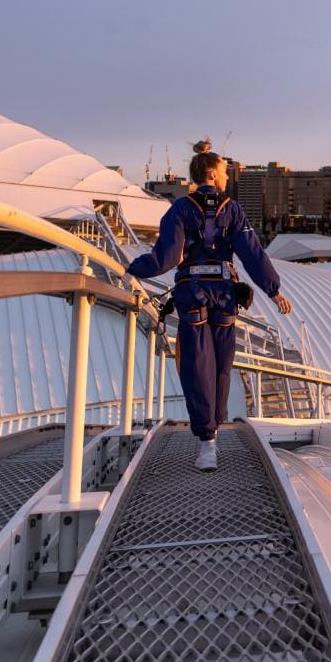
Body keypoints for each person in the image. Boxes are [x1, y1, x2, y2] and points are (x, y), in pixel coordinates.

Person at [127, 144, 291, 470]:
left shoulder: (179, 209)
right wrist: (273, 291)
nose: (228, 175)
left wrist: (132, 269)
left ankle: (207, 443)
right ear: (212, 173)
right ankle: (215, 424)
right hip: (226, 295)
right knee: (221, 367)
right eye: (225, 170)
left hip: (194, 295)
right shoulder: (233, 210)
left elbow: (167, 258)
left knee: (197, 365)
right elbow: (253, 254)